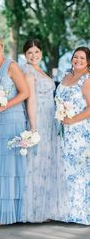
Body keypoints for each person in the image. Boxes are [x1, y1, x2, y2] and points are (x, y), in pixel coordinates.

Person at [0, 34, 29, 225]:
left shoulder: (11, 65)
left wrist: (5, 106)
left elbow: (25, 92)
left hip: (13, 119)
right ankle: (1, 211)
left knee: (11, 166)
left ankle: (11, 214)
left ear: (2, 47)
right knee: (0, 166)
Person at [21, 39, 57, 222]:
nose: (33, 56)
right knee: (36, 162)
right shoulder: (28, 71)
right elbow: (31, 100)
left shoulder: (41, 70)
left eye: (36, 52)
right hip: (39, 119)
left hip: (51, 120)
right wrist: (33, 127)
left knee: (46, 162)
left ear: (41, 53)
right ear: (25, 55)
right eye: (29, 53)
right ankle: (33, 211)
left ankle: (45, 207)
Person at [55, 46, 90, 225]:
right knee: (65, 170)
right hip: (62, 131)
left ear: (88, 62)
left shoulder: (87, 79)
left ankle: (81, 212)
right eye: (75, 57)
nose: (78, 60)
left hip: (79, 131)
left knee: (79, 171)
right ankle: (66, 211)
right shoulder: (66, 77)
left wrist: (73, 119)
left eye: (82, 58)